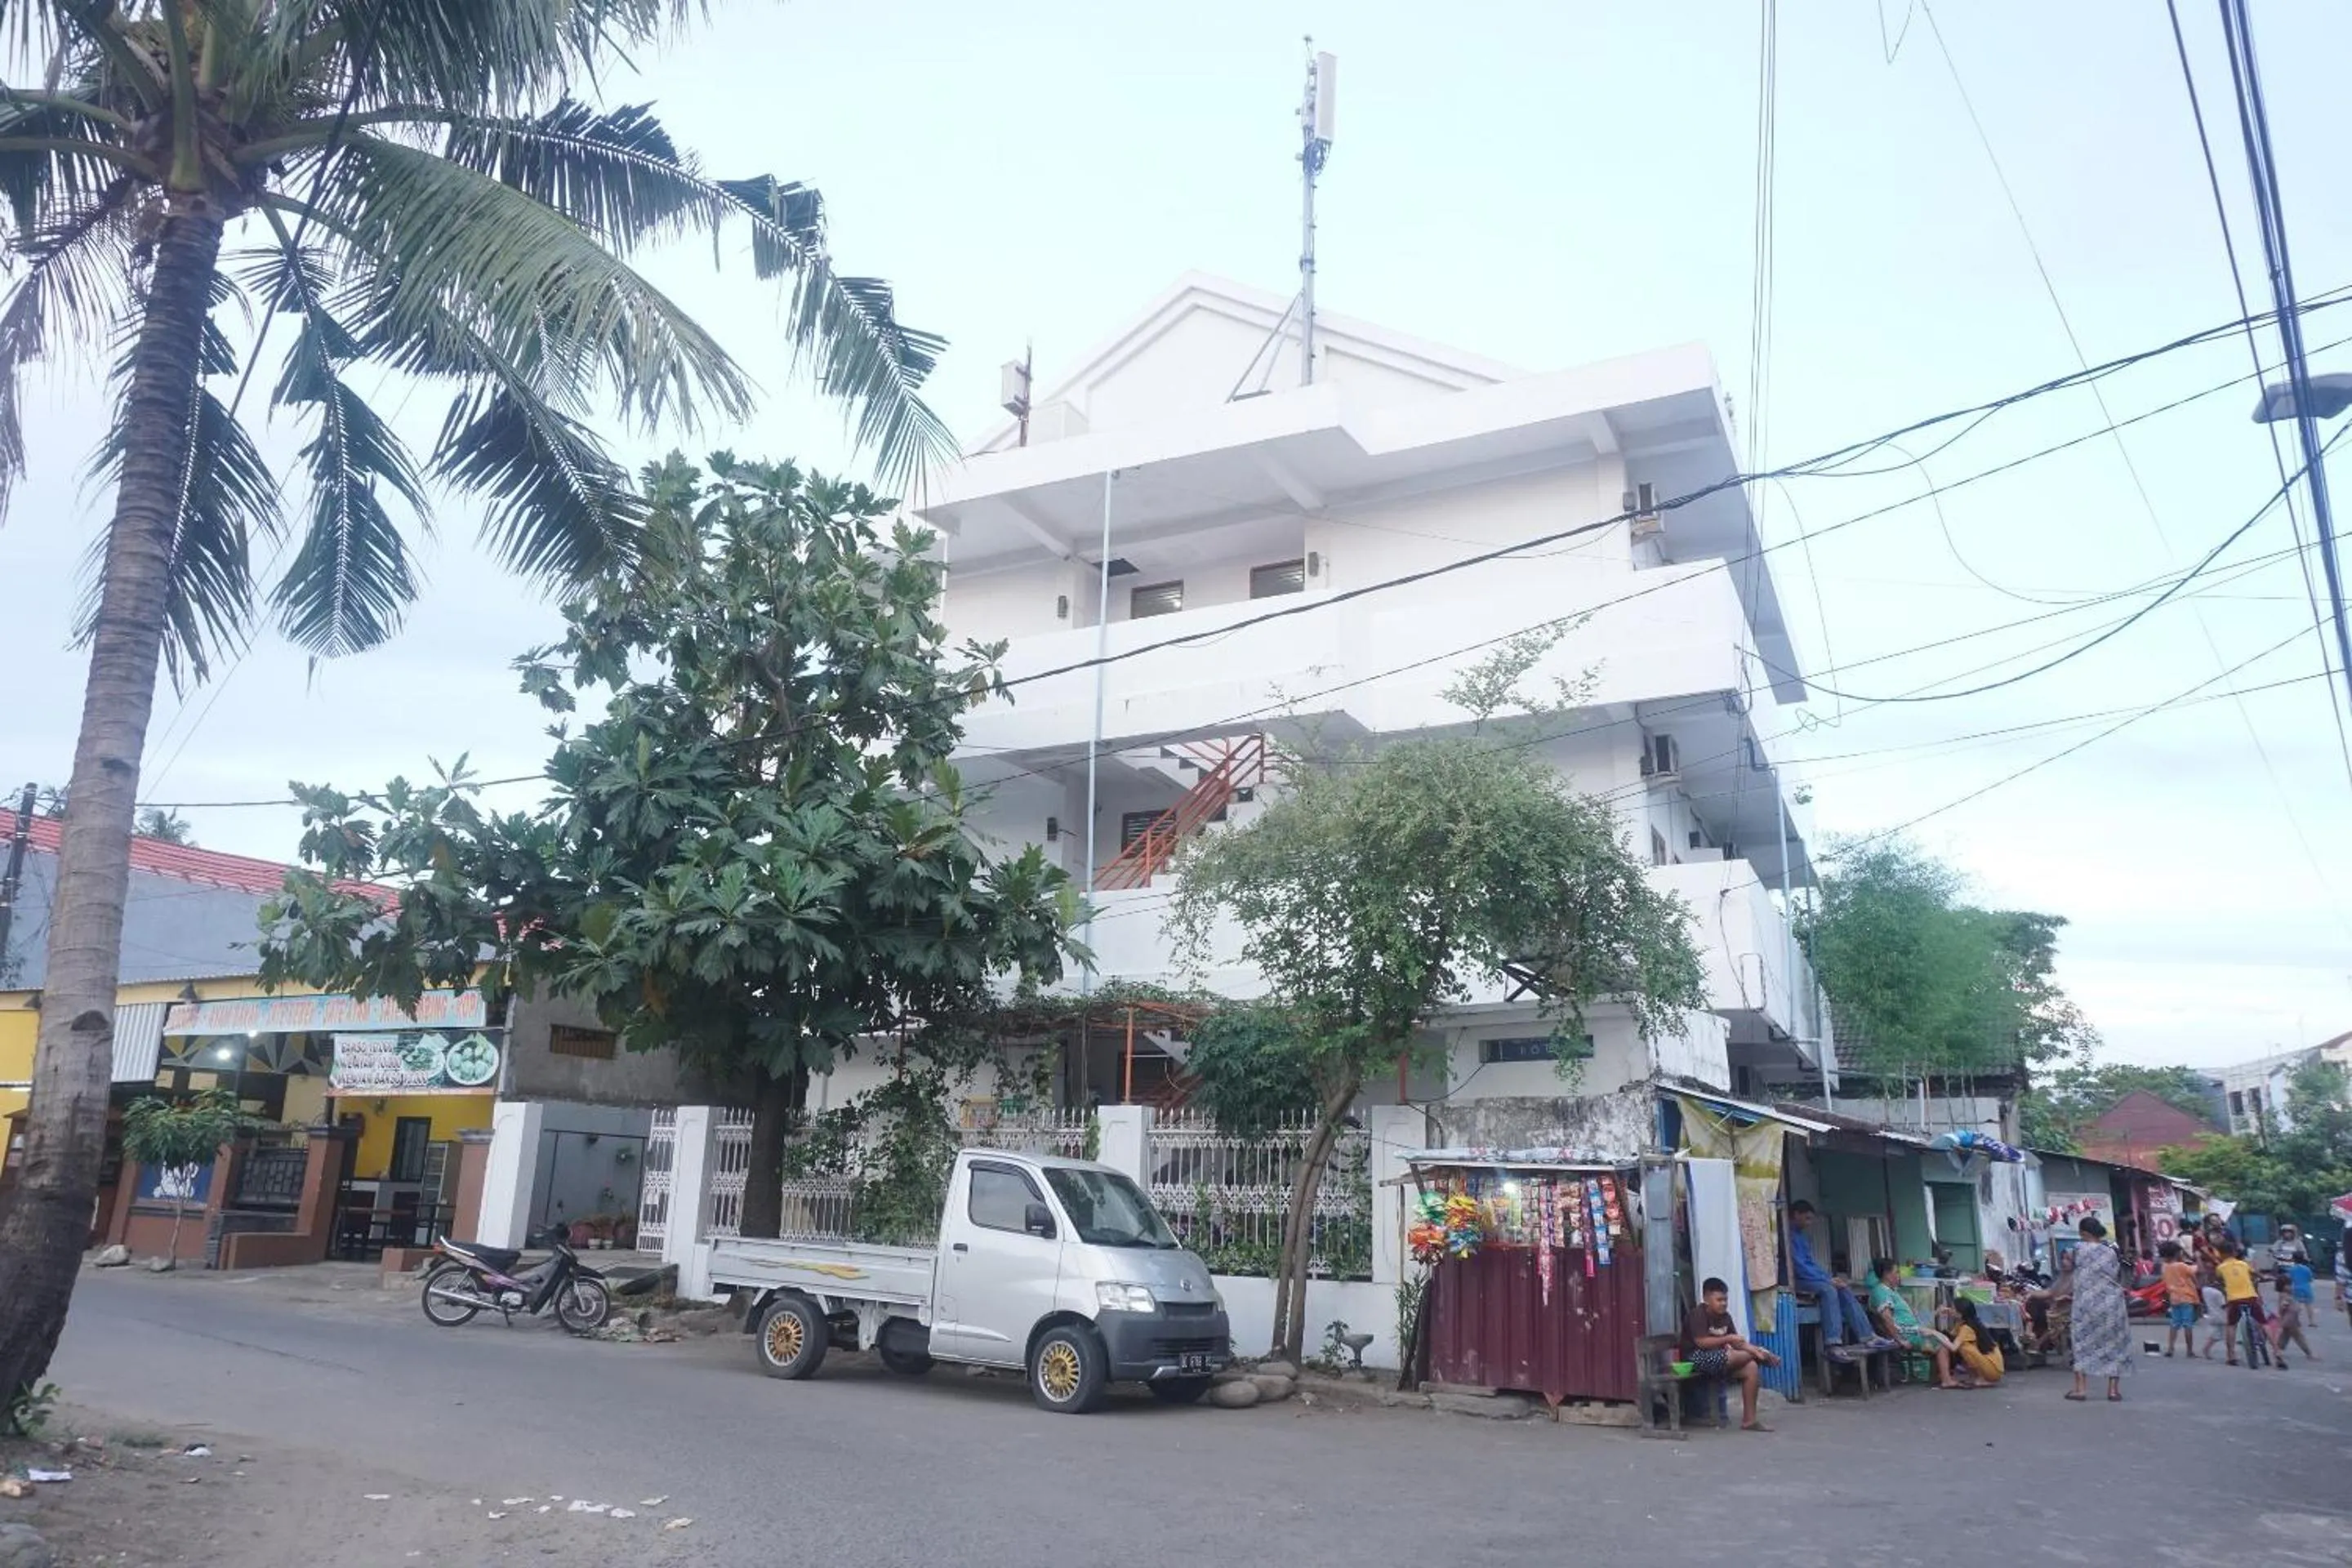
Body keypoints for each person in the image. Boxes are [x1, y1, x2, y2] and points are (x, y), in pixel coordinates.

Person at [1785, 1200, 1893, 1354]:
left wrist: (1830, 1277)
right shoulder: (1787, 1235)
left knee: (1843, 1288)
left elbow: (1811, 1264)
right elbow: (1799, 1266)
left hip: (1810, 1278)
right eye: (1807, 1218)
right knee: (1829, 1290)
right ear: (1796, 1215)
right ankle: (1832, 1342)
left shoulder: (1801, 1237)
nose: (1810, 1223)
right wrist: (1827, 1280)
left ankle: (1868, 1336)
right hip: (1795, 1279)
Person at [1682, 1276, 1781, 1432]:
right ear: (1706, 1299)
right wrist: (1733, 1341)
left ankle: (1750, 1420)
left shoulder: (1725, 1317)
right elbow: (1701, 1342)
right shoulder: (1697, 1314)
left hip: (1719, 1360)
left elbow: (1737, 1343)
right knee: (1730, 1355)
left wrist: (1751, 1348)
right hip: (1694, 1360)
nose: (1724, 1303)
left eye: (1725, 1300)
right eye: (1719, 1300)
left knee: (1751, 1368)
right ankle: (1760, 1354)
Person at [1867, 1258, 1962, 1390]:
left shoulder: (1889, 1291)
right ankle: (1946, 1380)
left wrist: (1933, 1313)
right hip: (1905, 1334)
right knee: (1939, 1342)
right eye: (1896, 1272)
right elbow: (1887, 1319)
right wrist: (1900, 1339)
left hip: (1910, 1330)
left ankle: (1938, 1377)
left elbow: (1905, 1316)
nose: (1899, 1276)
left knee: (1942, 1335)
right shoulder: (1881, 1292)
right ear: (1887, 1275)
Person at [2066, 1217, 2132, 1402]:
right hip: (2112, 1303)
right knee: (2115, 1345)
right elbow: (2116, 1273)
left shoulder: (2078, 1249)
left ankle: (2080, 1389)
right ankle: (2113, 1390)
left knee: (2081, 1344)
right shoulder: (2111, 1251)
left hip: (2086, 1304)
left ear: (2084, 1233)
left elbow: (2070, 1268)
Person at [2217, 1241, 2267, 1366]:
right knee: (2262, 1322)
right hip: (2251, 1298)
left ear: (2220, 1254)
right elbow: (2256, 1274)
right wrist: (2264, 1277)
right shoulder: (2244, 1264)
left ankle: (2231, 1355)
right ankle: (2277, 1353)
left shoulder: (2220, 1268)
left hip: (2233, 1300)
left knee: (2231, 1326)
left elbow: (2219, 1280)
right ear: (2235, 1252)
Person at [2159, 1240, 2201, 1358]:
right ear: (2177, 1254)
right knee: (2188, 1325)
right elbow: (2194, 1271)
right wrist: (2197, 1258)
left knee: (2174, 1324)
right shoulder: (2182, 1266)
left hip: (2174, 1298)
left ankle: (2170, 1348)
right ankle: (2190, 1351)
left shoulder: (2164, 1267)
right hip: (2187, 1298)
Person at [1949, 1297, 2004, 1385]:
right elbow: (1951, 1336)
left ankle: (1982, 1377)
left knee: (1964, 1347)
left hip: (1992, 1371)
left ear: (1960, 1313)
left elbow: (1953, 1347)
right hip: (1995, 1368)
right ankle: (1977, 1376)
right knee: (1965, 1346)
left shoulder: (1966, 1328)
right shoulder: (1969, 1322)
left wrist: (1934, 1333)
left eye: (1952, 1308)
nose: (1950, 1310)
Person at [2273, 1278, 2318, 1365]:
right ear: (2283, 1287)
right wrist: (2283, 1309)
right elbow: (2283, 1306)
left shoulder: (2287, 1295)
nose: (2292, 1287)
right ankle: (2309, 1353)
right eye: (2289, 1285)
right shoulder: (2285, 1296)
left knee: (2284, 1337)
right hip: (2290, 1320)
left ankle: (2278, 1351)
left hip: (2291, 1319)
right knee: (2299, 1337)